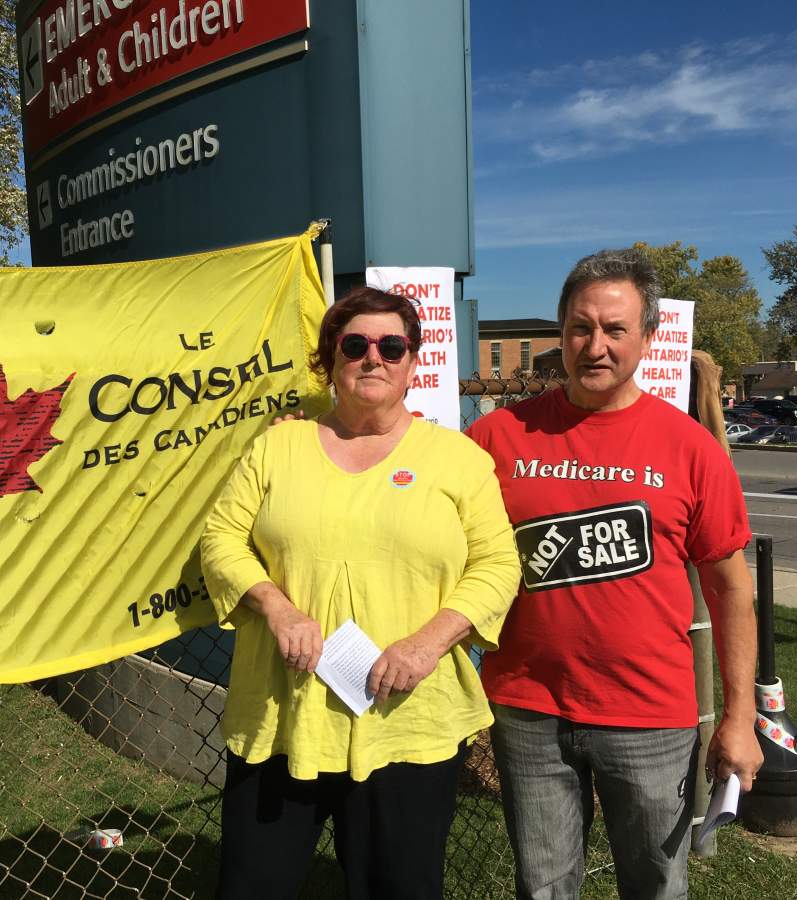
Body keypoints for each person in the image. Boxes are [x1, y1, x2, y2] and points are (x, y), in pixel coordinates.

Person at [200, 286, 522, 900]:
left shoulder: (456, 458)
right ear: (330, 360)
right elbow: (221, 539)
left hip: (406, 716)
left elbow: (497, 563)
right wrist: (276, 604)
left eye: (391, 345)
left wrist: (427, 644)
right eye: (356, 345)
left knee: (399, 886)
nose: (374, 357)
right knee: (253, 885)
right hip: (284, 714)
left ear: (412, 362)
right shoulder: (277, 446)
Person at [466, 249, 763, 900]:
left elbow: (732, 588)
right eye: (579, 327)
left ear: (648, 338)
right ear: (562, 332)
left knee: (656, 885)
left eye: (615, 329)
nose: (594, 345)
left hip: (650, 715)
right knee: (543, 888)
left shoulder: (690, 450)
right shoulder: (497, 437)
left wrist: (740, 717)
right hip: (529, 709)